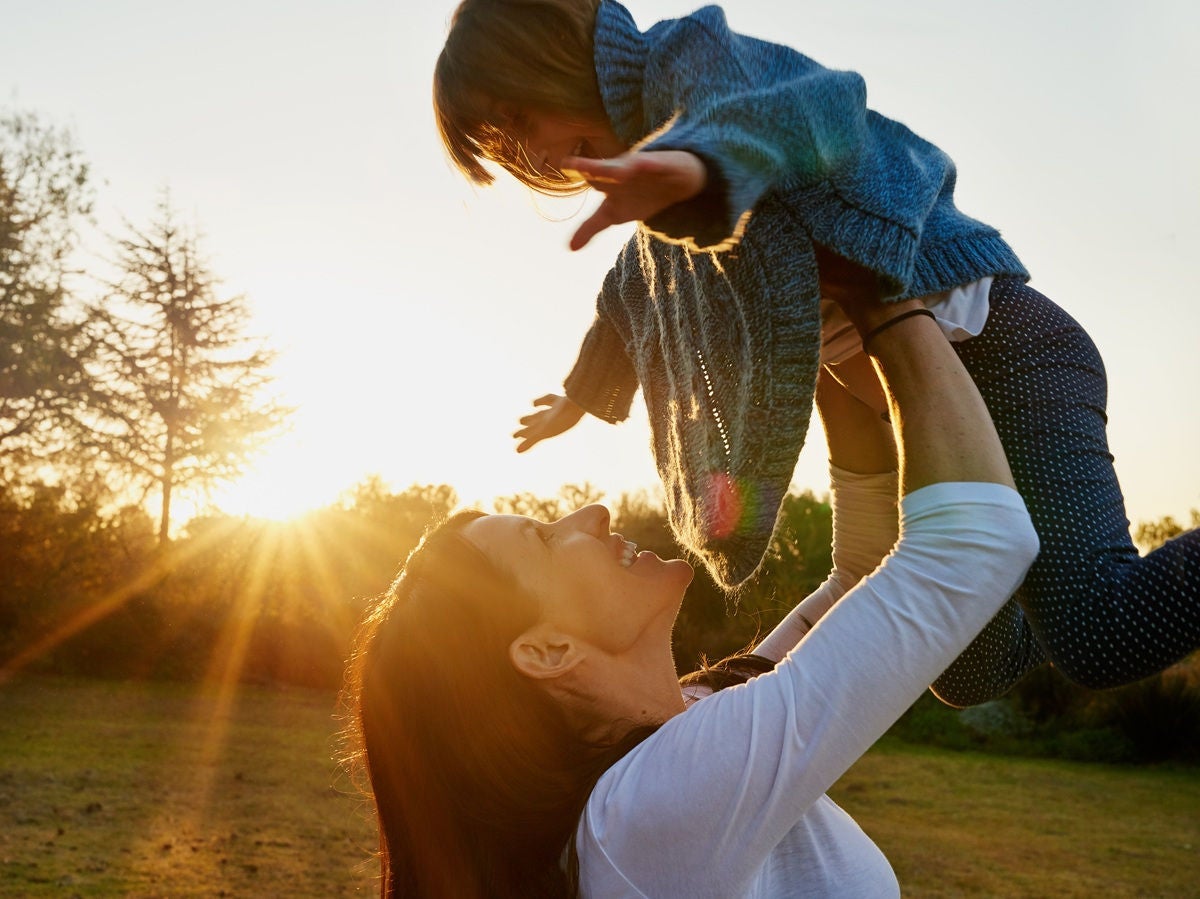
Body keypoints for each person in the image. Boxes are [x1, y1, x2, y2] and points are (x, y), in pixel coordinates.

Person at [433, 0, 1198, 706]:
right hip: (923, 407)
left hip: (1006, 351)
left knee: (1102, 634)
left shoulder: (690, 60)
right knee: (963, 671)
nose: (528, 151)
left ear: (552, 51)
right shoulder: (657, 222)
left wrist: (703, 167)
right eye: (505, 147)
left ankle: (1069, 593)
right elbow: (630, 296)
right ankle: (1049, 582)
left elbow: (810, 109)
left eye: (514, 118)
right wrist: (582, 393)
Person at [346, 287, 1039, 898]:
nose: (591, 514)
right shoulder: (654, 806)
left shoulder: (685, 727)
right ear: (547, 649)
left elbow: (860, 577)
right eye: (548, 539)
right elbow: (973, 547)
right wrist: (886, 305)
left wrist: (817, 345)